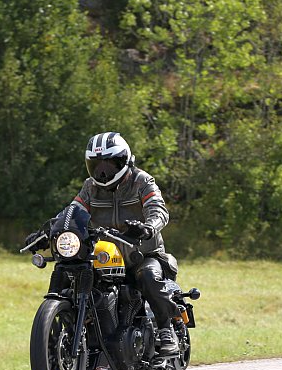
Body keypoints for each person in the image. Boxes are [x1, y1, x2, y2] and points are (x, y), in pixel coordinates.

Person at [25, 132, 180, 355]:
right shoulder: (90, 187)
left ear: (124, 161)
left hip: (142, 253)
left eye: (109, 165)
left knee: (147, 276)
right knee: (72, 276)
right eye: (96, 166)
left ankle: (166, 330)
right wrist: (45, 232)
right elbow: (71, 212)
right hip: (103, 254)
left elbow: (159, 209)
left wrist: (149, 227)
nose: (103, 172)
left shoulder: (142, 181)